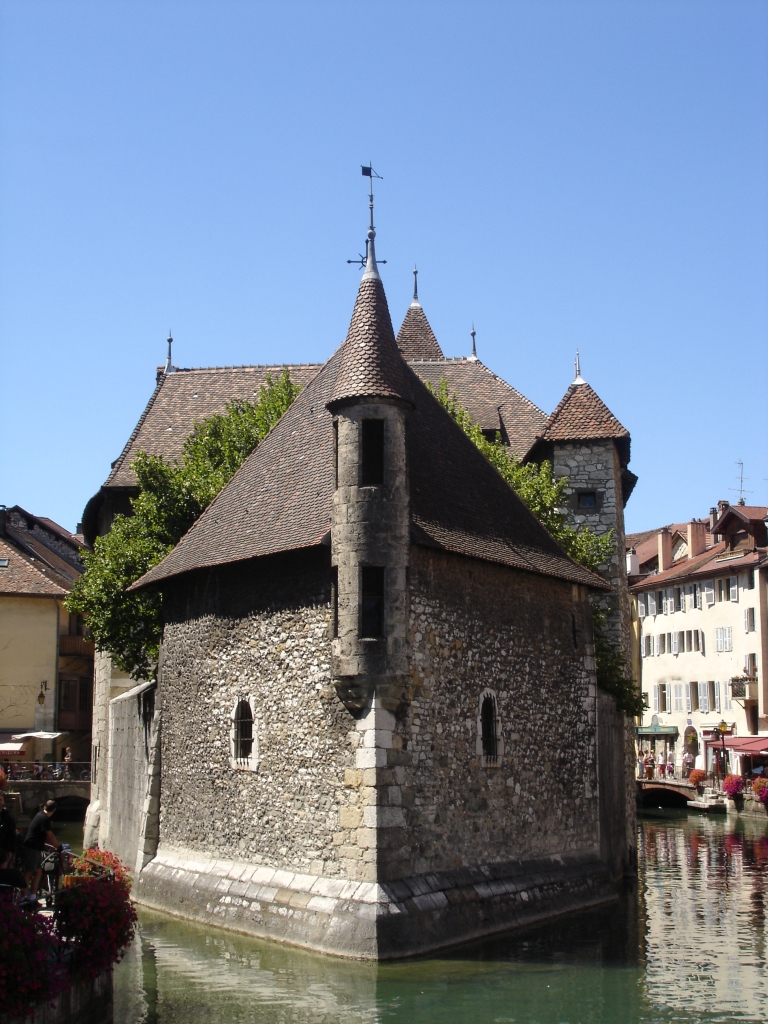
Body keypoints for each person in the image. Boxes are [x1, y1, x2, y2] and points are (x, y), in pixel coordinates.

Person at [22, 799, 58, 896]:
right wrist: (58, 846)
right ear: (53, 810)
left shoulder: (40, 814)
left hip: (36, 848)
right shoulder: (44, 818)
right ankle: (23, 896)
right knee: (29, 872)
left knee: (38, 871)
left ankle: (33, 896)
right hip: (31, 848)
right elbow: (50, 835)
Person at [0, 792, 17, 870]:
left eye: (0, 800)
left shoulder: (7, 816)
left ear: (3, 801)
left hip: (3, 850)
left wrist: (10, 851)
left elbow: (11, 835)